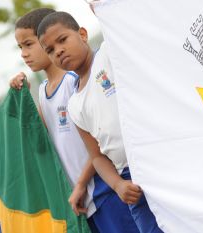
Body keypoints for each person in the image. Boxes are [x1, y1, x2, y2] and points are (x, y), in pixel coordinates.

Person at [11, 8, 139, 233]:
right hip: (83, 202)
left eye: (29, 44)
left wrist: (82, 183)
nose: (23, 53)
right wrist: (22, 97)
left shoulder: (75, 82)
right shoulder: (42, 92)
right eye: (20, 47)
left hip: (105, 189)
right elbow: (40, 141)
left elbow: (97, 145)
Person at [37, 11, 163, 233]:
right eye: (50, 50)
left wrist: (100, 7)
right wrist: (117, 184)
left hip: (158, 159)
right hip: (128, 179)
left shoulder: (108, 56)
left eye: (62, 40)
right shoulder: (74, 104)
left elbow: (119, 21)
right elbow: (96, 156)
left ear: (83, 34)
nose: (59, 51)